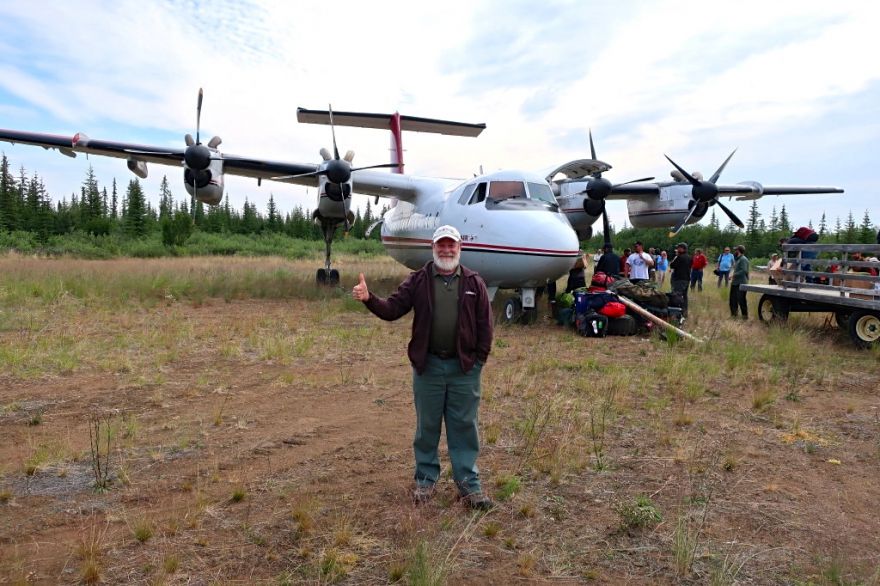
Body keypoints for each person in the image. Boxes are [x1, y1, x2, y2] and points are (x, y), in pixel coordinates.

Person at [352, 225, 495, 510]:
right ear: (433, 248)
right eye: (441, 245)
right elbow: (393, 309)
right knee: (427, 427)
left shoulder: (473, 282)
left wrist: (478, 361)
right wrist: (369, 299)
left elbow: (485, 326)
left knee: (464, 427)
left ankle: (469, 486)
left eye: (451, 245)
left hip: (464, 370)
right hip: (427, 367)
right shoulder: (418, 280)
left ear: (459, 249)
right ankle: (425, 480)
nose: (446, 250)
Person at [668, 242, 692, 317]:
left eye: (678, 248)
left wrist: (676, 257)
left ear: (682, 249)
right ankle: (685, 313)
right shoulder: (689, 257)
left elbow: (672, 265)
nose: (677, 249)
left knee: (677, 296)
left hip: (679, 279)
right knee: (684, 296)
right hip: (687, 279)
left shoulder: (680, 257)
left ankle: (677, 314)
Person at [730, 245, 750, 319]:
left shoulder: (743, 259)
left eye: (736, 250)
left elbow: (744, 270)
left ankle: (745, 317)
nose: (735, 252)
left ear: (738, 251)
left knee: (741, 300)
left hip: (741, 283)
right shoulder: (738, 259)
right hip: (735, 283)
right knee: (733, 300)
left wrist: (733, 275)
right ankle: (734, 316)